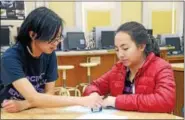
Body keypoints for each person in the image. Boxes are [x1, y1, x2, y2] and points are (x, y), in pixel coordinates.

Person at [0, 7, 102, 113]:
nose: (56, 43)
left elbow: (49, 93)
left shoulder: (49, 53)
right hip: (7, 110)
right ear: (33, 35)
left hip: (33, 108)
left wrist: (25, 104)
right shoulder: (10, 57)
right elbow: (34, 97)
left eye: (58, 38)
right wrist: (82, 101)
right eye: (51, 38)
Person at [83, 21, 176, 113]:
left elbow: (165, 101)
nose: (120, 55)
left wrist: (116, 101)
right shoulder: (118, 69)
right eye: (117, 49)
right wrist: (93, 94)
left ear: (141, 46)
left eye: (125, 48)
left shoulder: (162, 67)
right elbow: (93, 86)